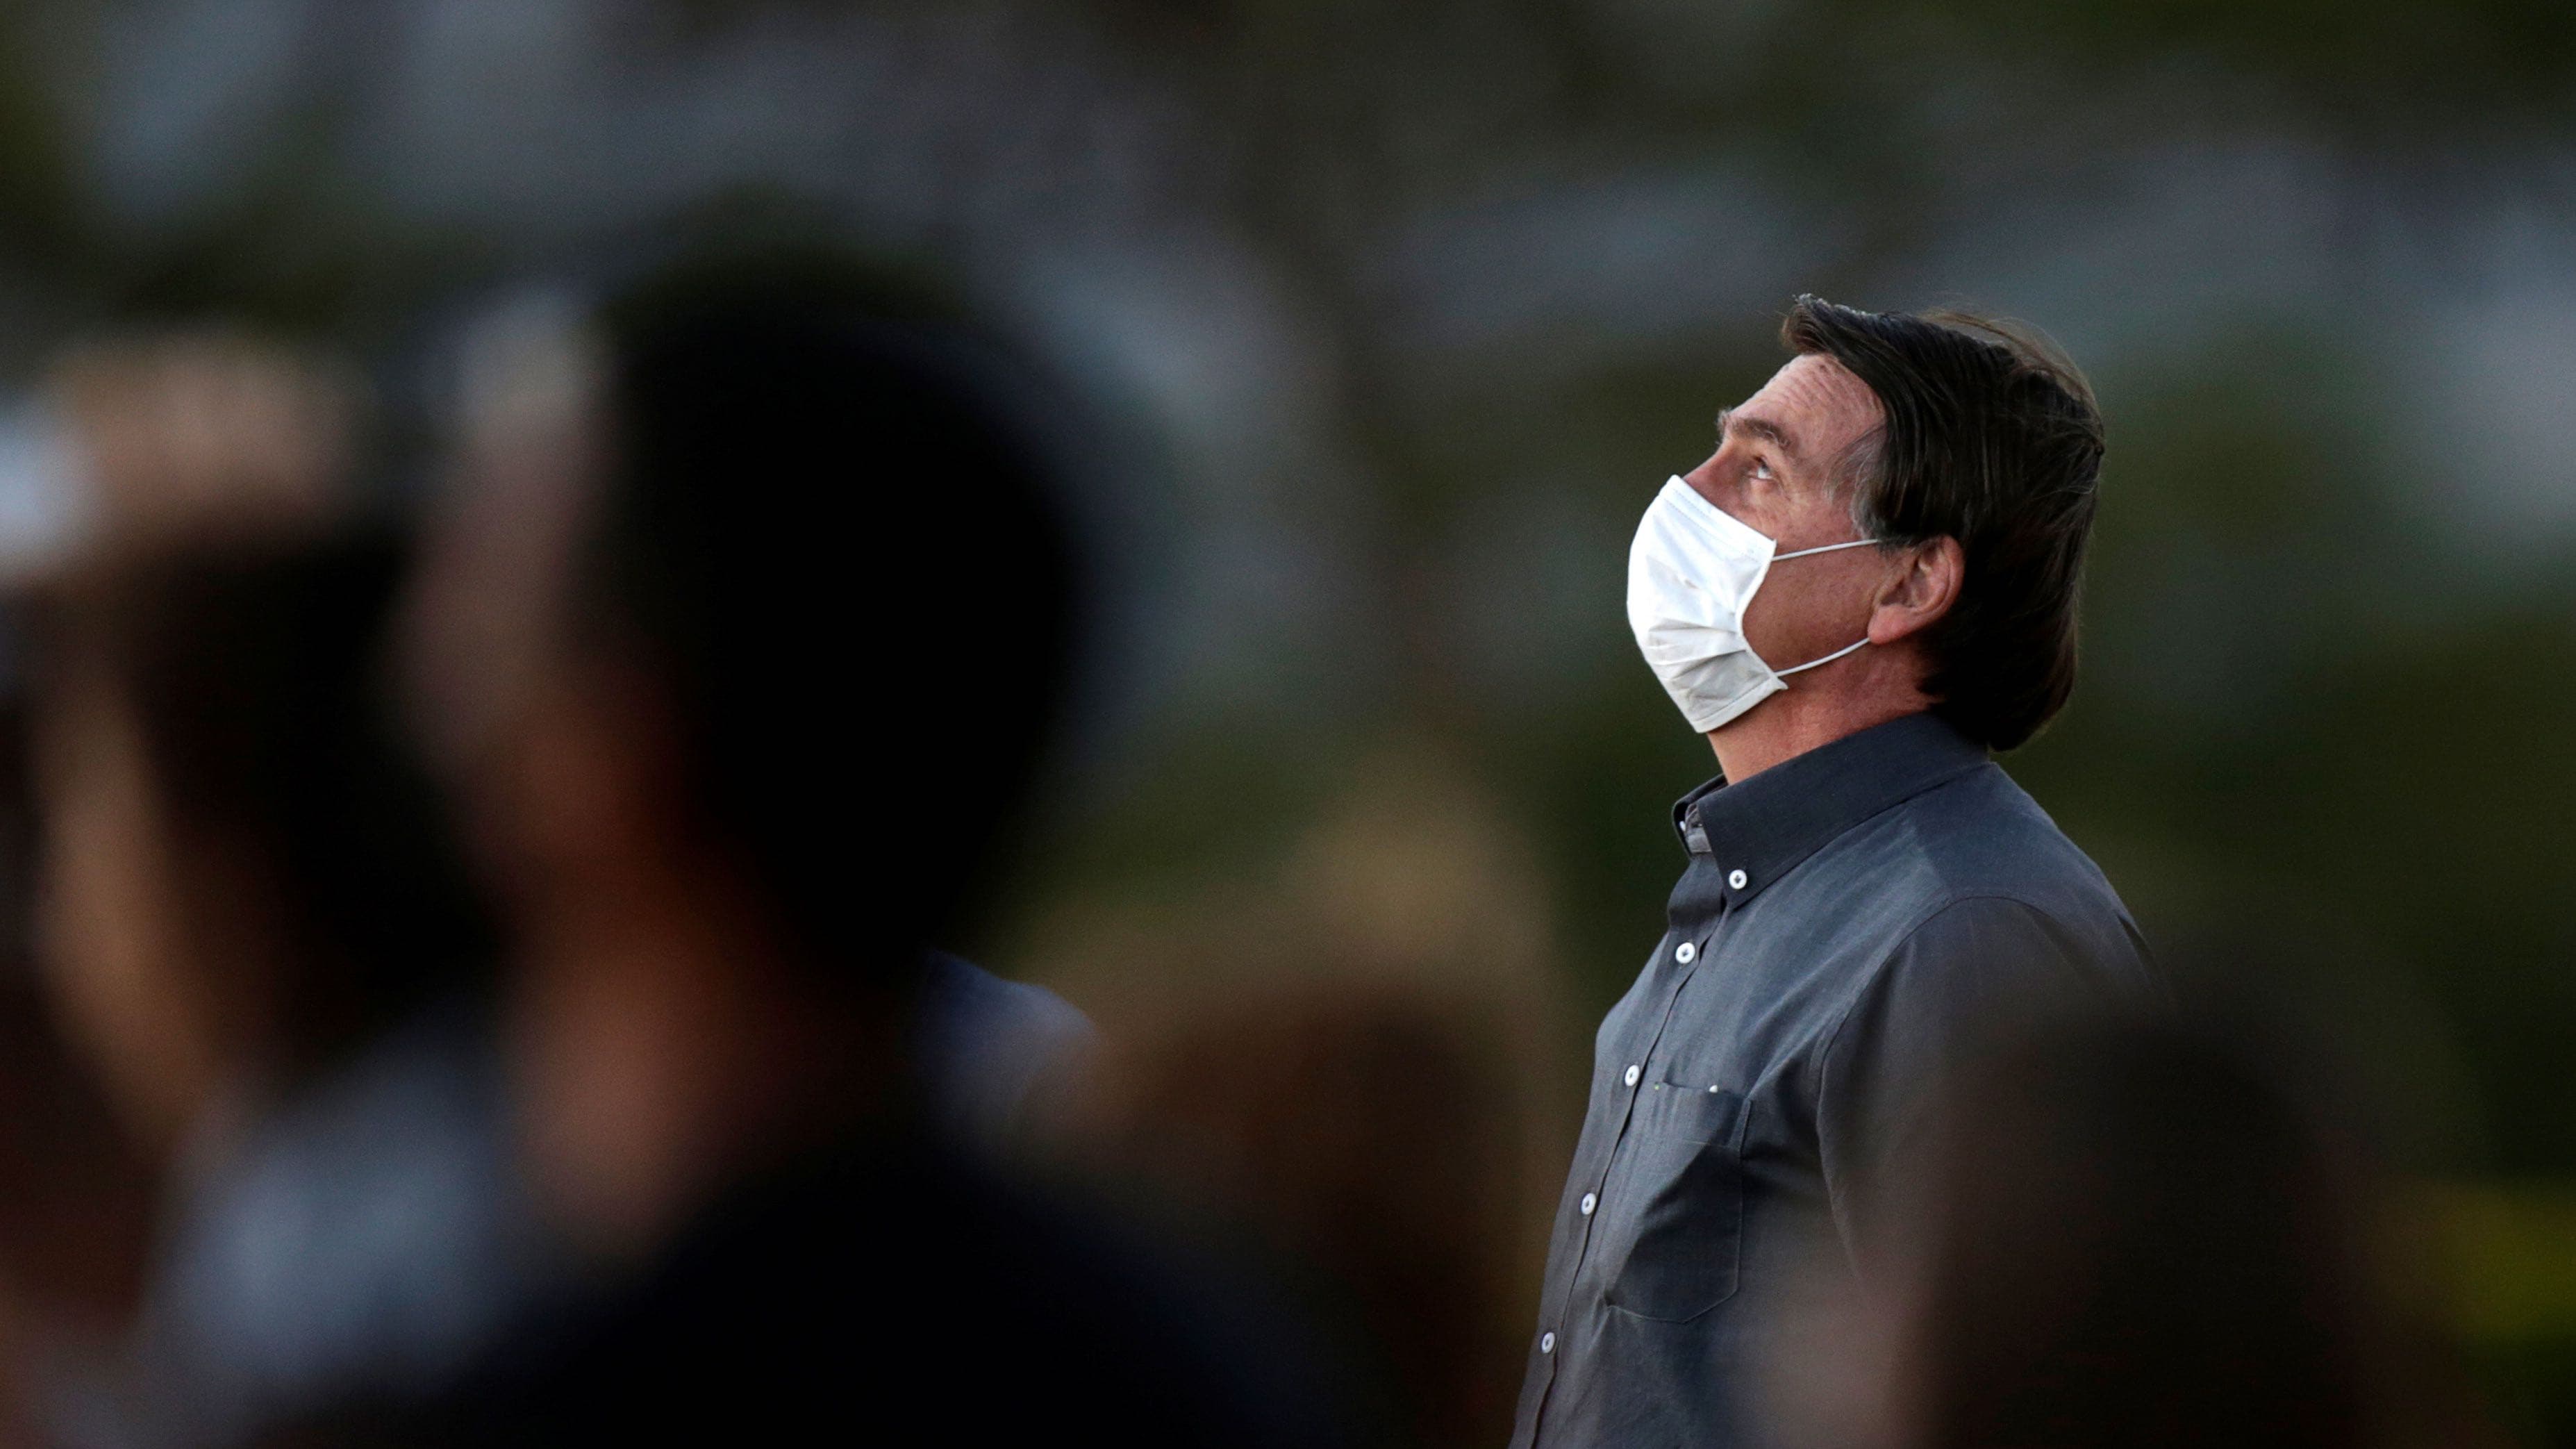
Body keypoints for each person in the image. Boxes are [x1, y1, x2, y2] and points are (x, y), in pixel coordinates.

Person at [383, 247, 1341, 1446]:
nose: (415, 695)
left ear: (611, 749)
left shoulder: (525, 1389)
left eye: (478, 632)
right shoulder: (1202, 1366)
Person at [1510, 297, 2161, 1449]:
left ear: (1908, 585)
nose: (1686, 494)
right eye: (1716, 448)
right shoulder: (1752, 883)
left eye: (1759, 470)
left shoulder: (1963, 930)